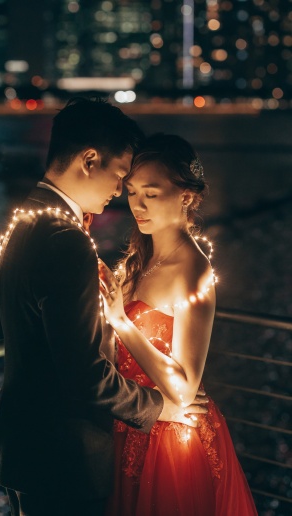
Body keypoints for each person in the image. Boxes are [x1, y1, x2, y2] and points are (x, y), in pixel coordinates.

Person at [0, 100, 208, 516]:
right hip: (63, 457)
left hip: (28, 448)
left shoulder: (29, 217)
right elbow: (86, 374)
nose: (120, 191)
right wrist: (162, 408)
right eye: (121, 175)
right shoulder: (64, 240)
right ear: (89, 160)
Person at [99, 134, 257, 516]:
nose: (137, 205)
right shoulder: (140, 259)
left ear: (185, 196)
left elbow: (185, 388)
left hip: (171, 439)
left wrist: (120, 321)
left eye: (151, 194)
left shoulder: (194, 272)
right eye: (132, 192)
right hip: (129, 420)